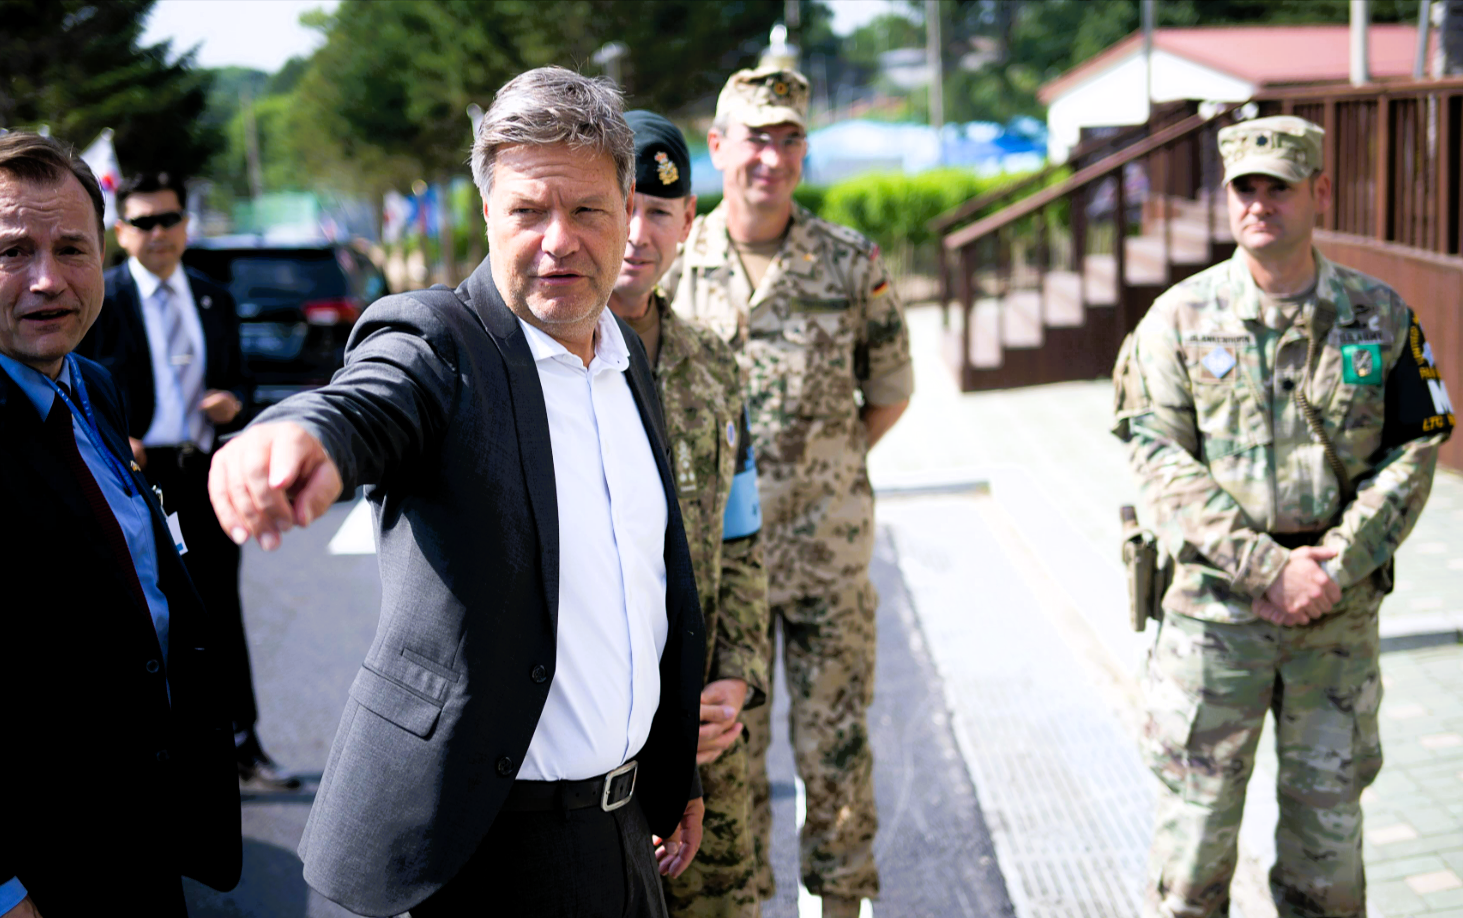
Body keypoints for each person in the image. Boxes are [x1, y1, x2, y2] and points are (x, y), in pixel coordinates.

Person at [206, 67, 706, 918]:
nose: (559, 241)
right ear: (487, 214)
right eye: (527, 211)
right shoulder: (440, 340)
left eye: (586, 210)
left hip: (621, 841)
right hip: (460, 859)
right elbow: (367, 401)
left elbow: (646, 593)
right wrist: (297, 437)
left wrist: (670, 776)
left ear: (627, 210)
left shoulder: (626, 363)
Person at [1112, 115, 1455, 917]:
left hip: (1333, 617)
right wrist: (1268, 569)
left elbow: (1416, 446)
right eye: (1245, 188)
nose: (1259, 204)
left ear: (1319, 192)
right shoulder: (1177, 318)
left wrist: (1334, 563)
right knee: (1192, 855)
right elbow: (1157, 458)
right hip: (1213, 623)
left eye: (1279, 187)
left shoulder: (1381, 314)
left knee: (1325, 854)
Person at [670, 67, 915, 918]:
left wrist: (821, 469)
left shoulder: (848, 264)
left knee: (836, 753)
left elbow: (887, 391)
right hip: (721, 569)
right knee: (728, 759)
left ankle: (842, 904)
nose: (769, 157)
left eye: (787, 139)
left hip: (825, 558)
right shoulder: (673, 261)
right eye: (754, 137)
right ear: (717, 147)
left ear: (802, 152)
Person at [0, 131, 240, 917]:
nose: (46, 281)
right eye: (11, 253)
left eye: (72, 248)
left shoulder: (91, 387)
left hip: (138, 831)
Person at [76, 172, 295, 790]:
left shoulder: (211, 296)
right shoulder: (103, 299)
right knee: (147, 616)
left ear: (185, 226)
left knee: (220, 609)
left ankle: (242, 743)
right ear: (120, 232)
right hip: (134, 479)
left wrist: (234, 403)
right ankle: (163, 760)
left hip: (204, 472)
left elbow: (246, 380)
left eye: (169, 220)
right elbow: (76, 383)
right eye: (143, 222)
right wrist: (118, 436)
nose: (158, 234)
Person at [608, 110, 771, 918]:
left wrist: (739, 674)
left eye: (660, 212)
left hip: (703, 742)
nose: (639, 233)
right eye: (623, 205)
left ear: (688, 223)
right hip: (586, 749)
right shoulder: (537, 358)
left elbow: (742, 539)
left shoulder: (713, 363)